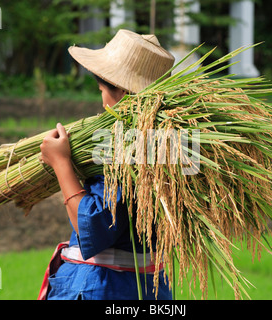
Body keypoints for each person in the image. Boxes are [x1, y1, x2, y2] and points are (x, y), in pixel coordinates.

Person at [37, 29, 175, 300]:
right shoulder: (172, 145)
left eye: (102, 90)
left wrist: (61, 162)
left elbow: (93, 227)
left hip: (103, 288)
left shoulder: (128, 148)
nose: (102, 101)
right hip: (150, 289)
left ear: (122, 91)